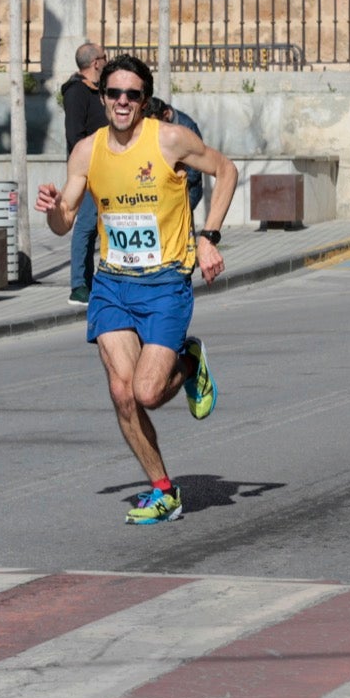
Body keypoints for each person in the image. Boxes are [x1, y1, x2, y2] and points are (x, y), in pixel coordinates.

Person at [36, 55, 238, 525]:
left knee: (147, 393)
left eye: (132, 94)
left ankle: (189, 361)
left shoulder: (168, 139)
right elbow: (64, 222)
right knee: (121, 392)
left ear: (144, 100)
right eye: (113, 94)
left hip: (165, 282)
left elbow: (225, 170)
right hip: (111, 284)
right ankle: (164, 490)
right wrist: (50, 208)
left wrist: (208, 237)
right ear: (102, 98)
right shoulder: (87, 151)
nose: (122, 102)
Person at [60, 42, 110, 307]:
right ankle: (79, 285)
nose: (107, 60)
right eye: (105, 56)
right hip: (89, 170)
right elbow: (74, 134)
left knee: (101, 227)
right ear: (95, 63)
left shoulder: (96, 90)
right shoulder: (77, 92)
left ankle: (92, 284)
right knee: (86, 225)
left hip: (106, 167)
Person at [145, 95, 204, 215]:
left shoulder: (187, 126)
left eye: (157, 123)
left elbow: (197, 165)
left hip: (187, 188)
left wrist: (179, 185)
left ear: (166, 114)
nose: (155, 129)